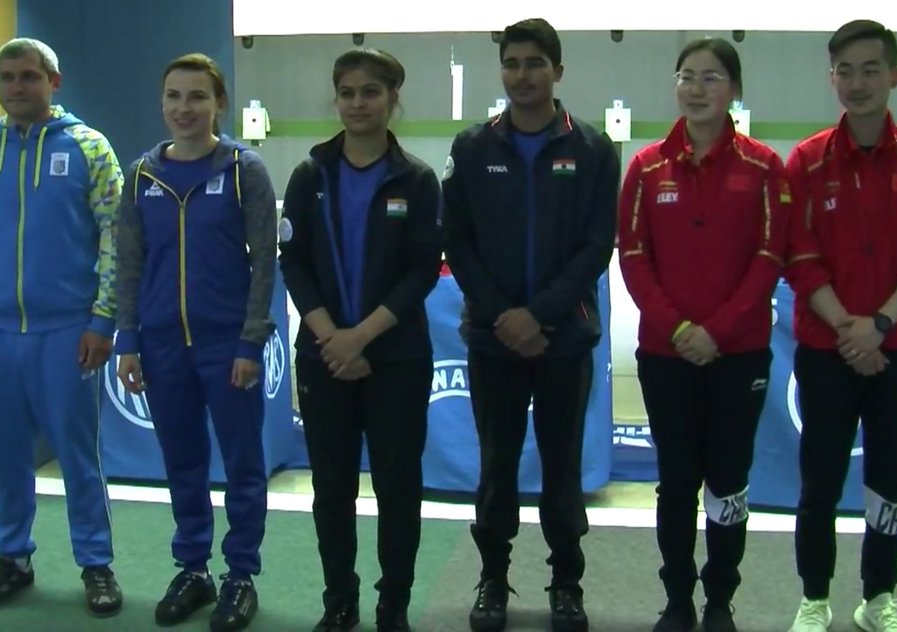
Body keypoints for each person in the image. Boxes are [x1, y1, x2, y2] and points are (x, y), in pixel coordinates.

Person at [441, 18, 618, 632]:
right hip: (493, 342)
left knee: (562, 469)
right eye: (512, 63)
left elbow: (598, 246)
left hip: (563, 339)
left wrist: (537, 315)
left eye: (535, 63)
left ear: (558, 71)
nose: (523, 75)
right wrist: (503, 317)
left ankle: (566, 583)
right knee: (497, 467)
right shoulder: (472, 148)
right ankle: (493, 579)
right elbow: (456, 242)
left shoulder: (594, 150)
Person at [784, 20, 897, 632]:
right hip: (826, 349)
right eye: (845, 71)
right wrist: (849, 330)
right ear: (831, 77)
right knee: (820, 481)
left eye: (870, 69)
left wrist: (880, 324)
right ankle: (813, 596)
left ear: (894, 75)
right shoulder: (805, 162)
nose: (857, 83)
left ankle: (878, 595)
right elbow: (800, 256)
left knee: (888, 480)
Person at [0, 38, 123, 616]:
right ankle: (12, 559)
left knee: (77, 455)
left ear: (54, 82)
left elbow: (119, 238)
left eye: (29, 77)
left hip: (67, 331)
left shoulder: (90, 149)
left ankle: (96, 565)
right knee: (9, 452)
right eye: (8, 78)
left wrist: (102, 319)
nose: (18, 88)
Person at [617, 38, 790, 632]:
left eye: (711, 77)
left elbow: (770, 257)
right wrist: (680, 328)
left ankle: (720, 596)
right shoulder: (645, 168)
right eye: (686, 76)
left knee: (728, 479)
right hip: (665, 354)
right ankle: (677, 598)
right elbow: (634, 257)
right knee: (677, 481)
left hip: (738, 353)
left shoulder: (766, 168)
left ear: (734, 88)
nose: (696, 88)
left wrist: (717, 331)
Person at [278, 48, 442, 632]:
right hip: (323, 357)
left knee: (399, 486)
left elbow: (423, 270)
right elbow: (293, 262)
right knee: (332, 488)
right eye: (346, 92)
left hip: (395, 357)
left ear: (393, 99)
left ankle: (393, 601)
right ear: (336, 98)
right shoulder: (310, 176)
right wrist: (332, 339)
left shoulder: (417, 180)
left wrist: (362, 338)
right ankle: (339, 600)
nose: (357, 103)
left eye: (370, 92)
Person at [113, 53, 277, 632]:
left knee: (241, 464)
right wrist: (126, 340)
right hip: (161, 348)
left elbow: (264, 265)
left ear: (219, 104)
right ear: (162, 103)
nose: (185, 108)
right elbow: (128, 265)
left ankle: (240, 574)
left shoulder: (242, 170)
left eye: (198, 97)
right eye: (174, 96)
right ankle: (193, 569)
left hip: (226, 344)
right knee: (182, 462)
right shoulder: (139, 176)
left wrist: (250, 342)